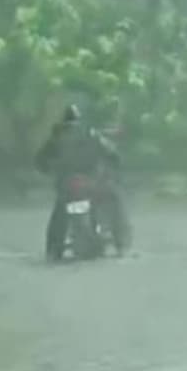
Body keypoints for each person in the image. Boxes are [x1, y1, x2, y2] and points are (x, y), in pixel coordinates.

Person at [35, 104, 129, 260]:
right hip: (92, 182)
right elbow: (113, 155)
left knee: (59, 213)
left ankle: (53, 249)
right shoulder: (92, 134)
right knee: (115, 200)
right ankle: (121, 243)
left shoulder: (57, 136)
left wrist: (49, 170)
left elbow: (40, 161)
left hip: (67, 184)